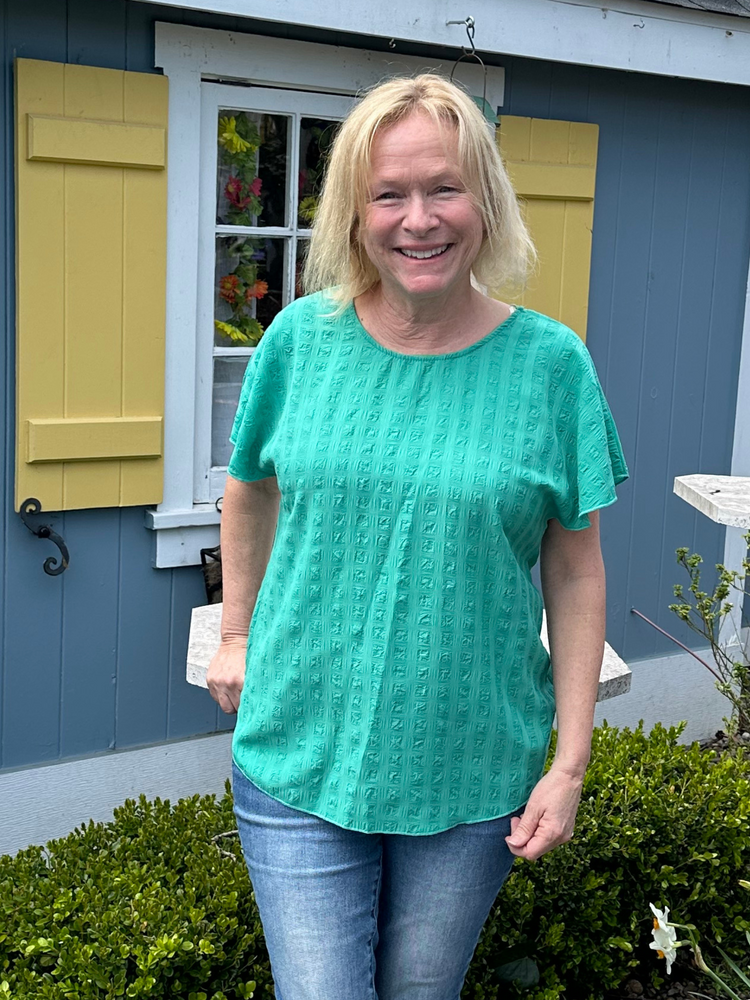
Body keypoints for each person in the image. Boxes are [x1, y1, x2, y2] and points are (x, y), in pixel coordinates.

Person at [206, 73, 628, 1000]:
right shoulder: (297, 343)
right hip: (296, 751)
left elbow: (574, 568)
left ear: (485, 200)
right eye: (388, 194)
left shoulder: (551, 366)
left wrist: (568, 763)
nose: (419, 219)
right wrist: (236, 633)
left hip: (473, 772)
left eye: (444, 188)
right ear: (355, 216)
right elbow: (248, 490)